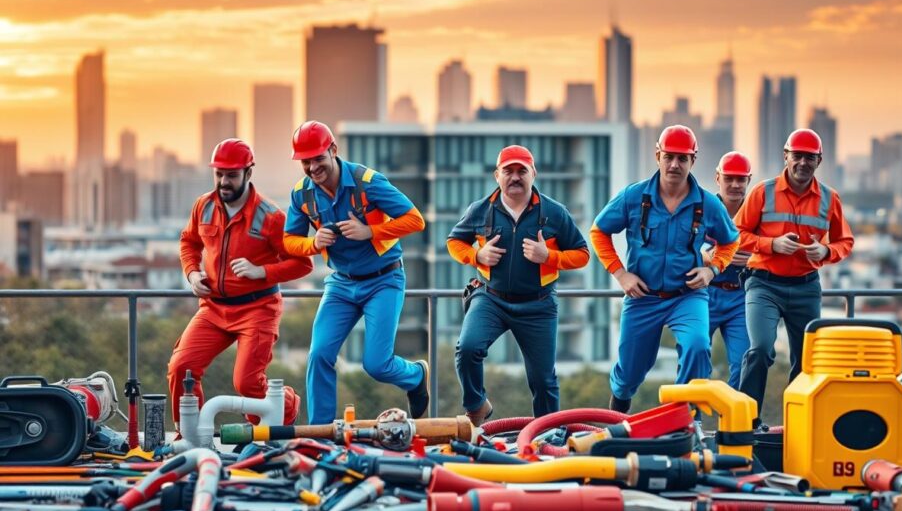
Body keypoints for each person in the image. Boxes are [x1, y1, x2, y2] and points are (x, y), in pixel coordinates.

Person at [282, 121, 428, 425]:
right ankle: (320, 431)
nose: (311, 168)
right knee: (319, 354)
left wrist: (370, 231)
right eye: (305, 162)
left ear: (333, 150)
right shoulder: (302, 195)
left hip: (384, 280)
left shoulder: (368, 182)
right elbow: (288, 242)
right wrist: (313, 242)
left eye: (317, 158)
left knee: (376, 364)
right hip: (340, 285)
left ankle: (416, 376)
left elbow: (415, 220)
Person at [591, 125, 740, 414]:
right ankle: (617, 418)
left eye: (682, 158)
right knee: (630, 370)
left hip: (686, 296)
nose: (674, 164)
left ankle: (683, 420)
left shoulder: (707, 204)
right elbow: (599, 231)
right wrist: (621, 274)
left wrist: (712, 271)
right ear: (657, 155)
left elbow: (731, 241)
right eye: (669, 156)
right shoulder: (633, 198)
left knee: (698, 346)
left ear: (692, 161)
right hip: (642, 297)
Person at [170, 138, 311, 431]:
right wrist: (192, 274)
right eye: (219, 173)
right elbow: (189, 242)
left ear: (248, 173)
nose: (223, 181)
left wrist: (261, 271)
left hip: (258, 309)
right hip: (213, 309)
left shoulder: (271, 217)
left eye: (231, 175)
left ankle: (286, 406)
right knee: (181, 369)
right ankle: (190, 434)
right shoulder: (203, 206)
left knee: (247, 382)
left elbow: (303, 264)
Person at [447, 145, 590, 425]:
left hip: (538, 305)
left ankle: (547, 434)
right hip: (491, 299)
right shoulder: (480, 210)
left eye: (521, 171)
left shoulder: (554, 213)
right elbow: (454, 242)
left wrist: (548, 256)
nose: (515, 177)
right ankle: (476, 405)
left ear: (533, 174)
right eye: (508, 171)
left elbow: (582, 254)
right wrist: (477, 255)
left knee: (543, 379)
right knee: (467, 348)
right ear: (496, 175)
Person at [734, 129, 854, 421]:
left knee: (807, 359)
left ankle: (797, 423)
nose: (802, 162)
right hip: (764, 284)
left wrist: (825, 252)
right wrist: (770, 244)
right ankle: (746, 422)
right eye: (797, 156)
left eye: (809, 158)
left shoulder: (829, 198)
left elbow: (845, 241)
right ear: (786, 157)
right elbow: (735, 233)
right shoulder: (763, 192)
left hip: (806, 287)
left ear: (819, 160)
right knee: (760, 350)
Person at [704, 152, 754, 389]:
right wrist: (710, 256)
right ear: (718, 178)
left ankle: (735, 423)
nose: (735, 185)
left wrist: (754, 258)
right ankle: (692, 422)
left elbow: (770, 251)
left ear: (748, 181)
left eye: (741, 179)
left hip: (741, 296)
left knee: (745, 361)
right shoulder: (702, 210)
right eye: (729, 178)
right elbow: (681, 249)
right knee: (696, 358)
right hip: (705, 294)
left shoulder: (757, 214)